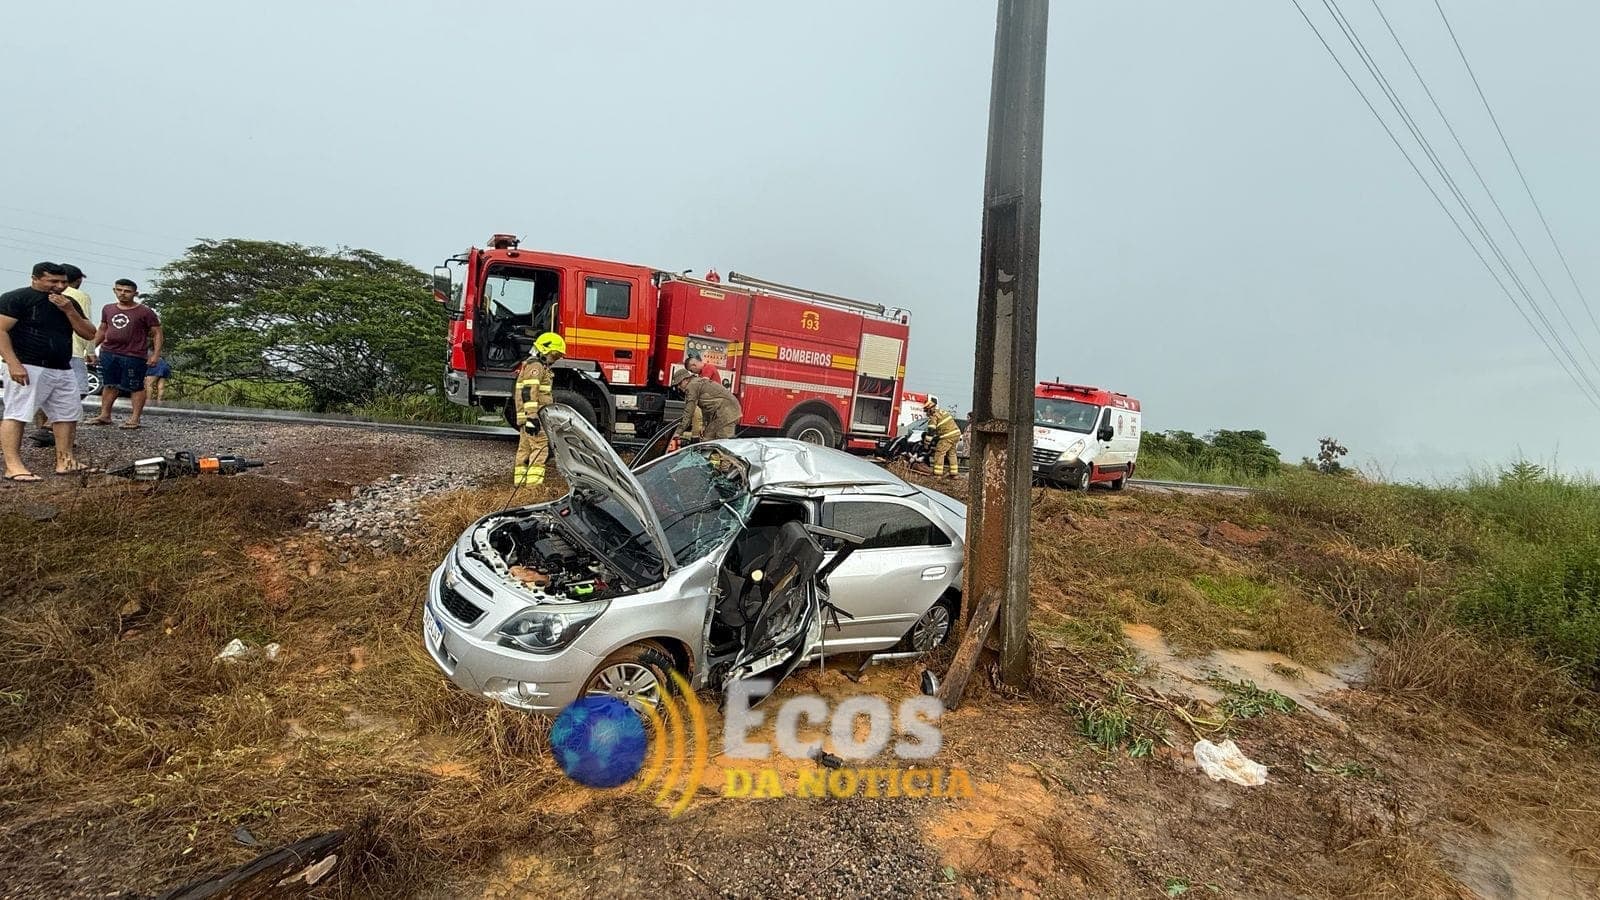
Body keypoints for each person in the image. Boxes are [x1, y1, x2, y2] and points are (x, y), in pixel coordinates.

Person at [0, 261, 99, 481]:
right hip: (28, 364)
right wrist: (13, 363)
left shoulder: (69, 302)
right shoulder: (16, 299)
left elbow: (89, 333)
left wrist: (68, 309)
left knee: (67, 414)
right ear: (35, 278)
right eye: (52, 281)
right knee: (18, 413)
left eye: (63, 282)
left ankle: (66, 460)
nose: (59, 286)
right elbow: (1, 331)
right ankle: (13, 465)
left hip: (62, 367)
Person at [28, 263, 93, 447]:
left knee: (44, 395)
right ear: (78, 280)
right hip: (71, 350)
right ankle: (48, 429)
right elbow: (88, 327)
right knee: (78, 391)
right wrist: (91, 350)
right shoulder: (79, 297)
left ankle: (45, 431)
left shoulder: (36, 296)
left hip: (39, 354)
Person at [88, 278, 162, 429]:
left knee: (135, 386)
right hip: (109, 352)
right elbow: (102, 329)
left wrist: (155, 354)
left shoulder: (145, 312)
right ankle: (105, 415)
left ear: (135, 293)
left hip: (133, 354)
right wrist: (91, 348)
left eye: (127, 291)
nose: (123, 294)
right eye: (119, 290)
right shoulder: (108, 309)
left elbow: (157, 333)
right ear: (114, 290)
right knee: (109, 384)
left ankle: (135, 418)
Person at [513, 331, 565, 486]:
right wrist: (532, 417)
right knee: (541, 447)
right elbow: (529, 391)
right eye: (554, 355)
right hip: (533, 416)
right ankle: (533, 487)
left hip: (528, 415)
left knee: (525, 449)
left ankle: (520, 484)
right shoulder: (536, 365)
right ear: (544, 350)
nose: (554, 360)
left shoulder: (535, 364)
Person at [674, 367, 741, 442]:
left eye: (679, 383)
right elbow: (706, 408)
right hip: (722, 412)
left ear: (686, 380)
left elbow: (689, 412)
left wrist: (678, 432)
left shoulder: (692, 386)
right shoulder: (696, 383)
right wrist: (704, 425)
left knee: (722, 442)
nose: (678, 387)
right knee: (707, 439)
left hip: (728, 412)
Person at [683, 350, 722, 437]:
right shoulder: (701, 373)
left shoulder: (708, 368)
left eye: (691, 370)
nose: (692, 372)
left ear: (694, 365)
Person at [923, 395, 963, 479]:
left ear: (930, 409)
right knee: (952, 453)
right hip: (956, 434)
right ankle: (954, 474)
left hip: (947, 436)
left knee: (939, 453)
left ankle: (937, 475)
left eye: (926, 411)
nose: (926, 413)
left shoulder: (933, 417)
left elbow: (931, 431)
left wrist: (926, 443)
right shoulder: (942, 412)